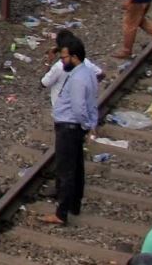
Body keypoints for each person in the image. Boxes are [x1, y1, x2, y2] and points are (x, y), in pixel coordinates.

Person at [42, 37, 98, 226]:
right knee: (77, 168)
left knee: (65, 170)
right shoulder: (88, 73)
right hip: (75, 127)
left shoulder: (77, 79)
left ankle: (61, 213)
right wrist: (91, 124)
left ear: (74, 57)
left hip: (69, 127)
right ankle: (74, 205)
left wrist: (84, 124)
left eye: (64, 57)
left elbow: (79, 107)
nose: (62, 60)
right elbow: (92, 103)